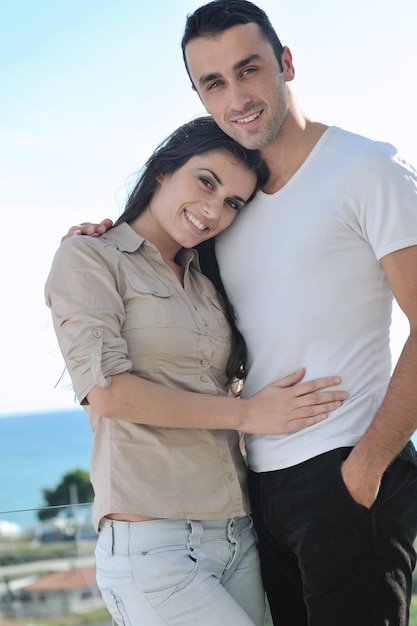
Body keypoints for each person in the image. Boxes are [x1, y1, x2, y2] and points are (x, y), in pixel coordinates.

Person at [62, 2, 417, 624]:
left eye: (248, 70)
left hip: (345, 469)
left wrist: (366, 469)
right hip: (256, 492)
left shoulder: (368, 169)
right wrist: (102, 235)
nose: (237, 97)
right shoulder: (232, 207)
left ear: (285, 63)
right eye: (213, 83)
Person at [46, 115, 347, 626]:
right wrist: (248, 414)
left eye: (233, 203)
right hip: (154, 548)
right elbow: (109, 394)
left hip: (238, 535)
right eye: (206, 181)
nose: (213, 210)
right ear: (164, 169)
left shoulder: (208, 282)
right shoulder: (90, 258)